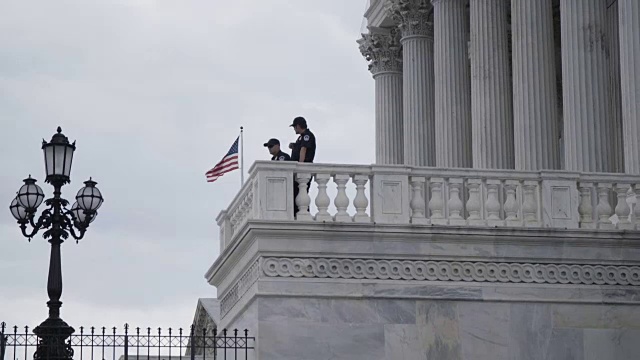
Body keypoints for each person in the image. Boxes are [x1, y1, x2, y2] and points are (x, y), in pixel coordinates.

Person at [288, 116, 316, 215]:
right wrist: (294, 146)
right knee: (296, 192)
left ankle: (304, 214)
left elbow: (303, 150)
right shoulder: (301, 137)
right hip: (300, 170)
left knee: (301, 192)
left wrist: (300, 167)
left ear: (299, 126)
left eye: (295, 127)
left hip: (304, 169)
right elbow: (300, 148)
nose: (294, 129)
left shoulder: (307, 135)